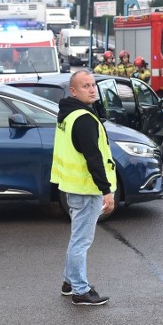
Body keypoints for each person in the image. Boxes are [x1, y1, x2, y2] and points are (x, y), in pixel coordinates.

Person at [51, 70, 115, 306]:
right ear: (73, 91)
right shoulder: (83, 119)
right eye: (85, 86)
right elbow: (93, 158)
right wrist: (106, 190)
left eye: (93, 85)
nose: (92, 89)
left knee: (76, 238)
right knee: (81, 241)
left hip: (74, 186)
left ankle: (70, 282)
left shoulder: (68, 114)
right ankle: (80, 290)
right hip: (87, 189)